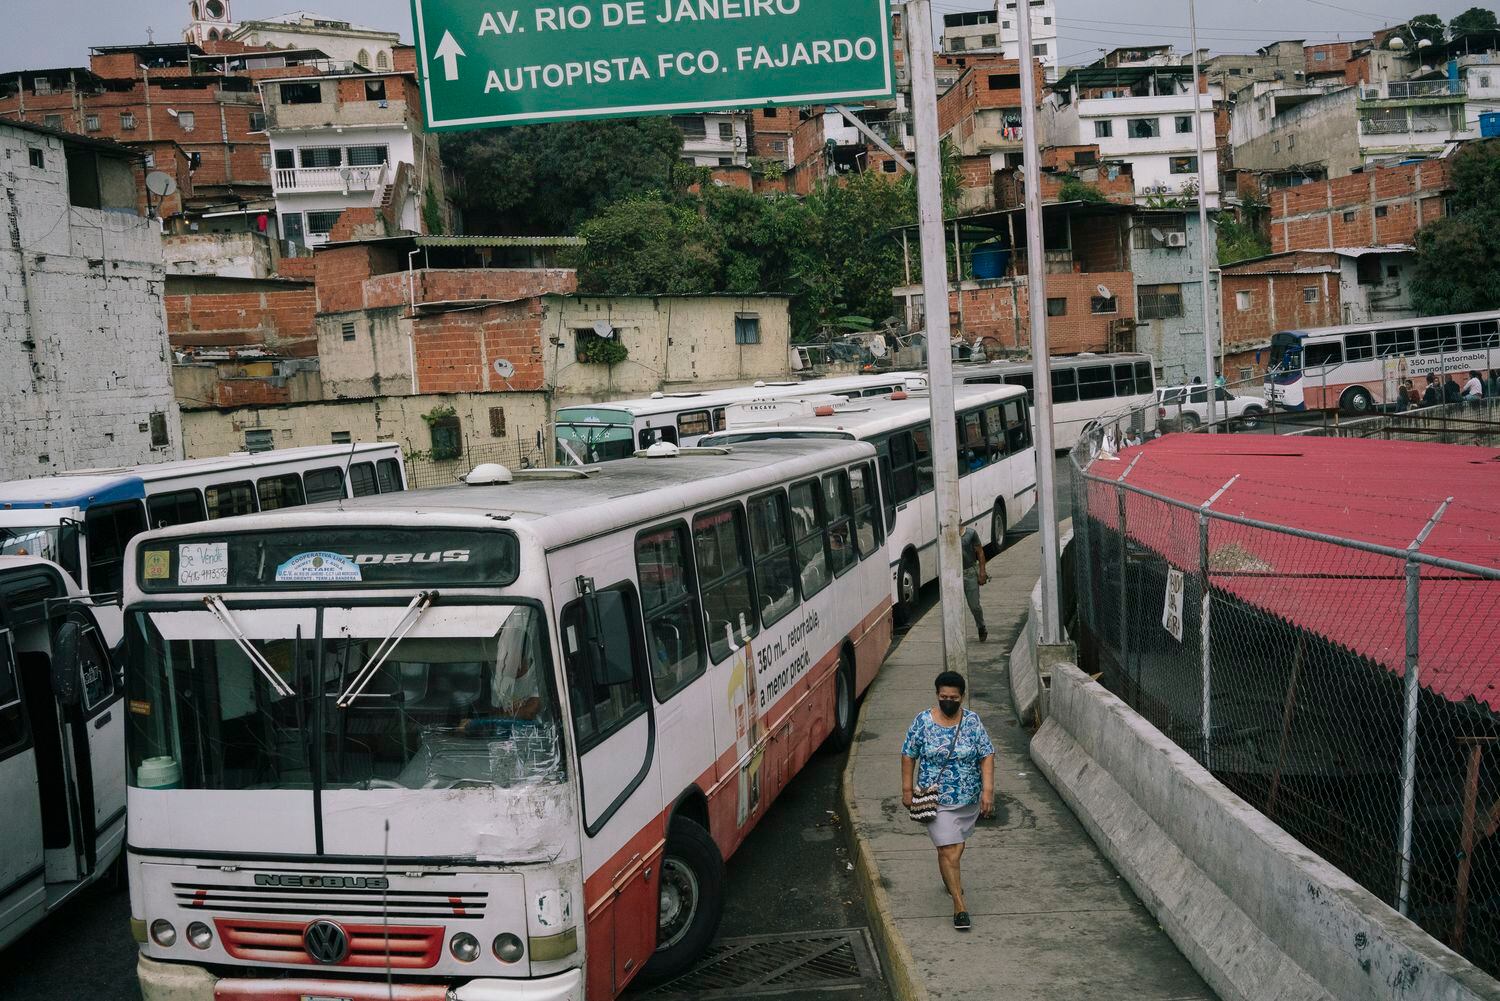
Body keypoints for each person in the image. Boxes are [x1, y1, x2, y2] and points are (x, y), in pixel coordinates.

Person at [901, 671, 995, 931]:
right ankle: (959, 904)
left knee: (954, 849)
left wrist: (988, 791)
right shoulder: (923, 721)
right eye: (943, 697)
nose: (948, 701)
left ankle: (949, 878)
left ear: (962, 697)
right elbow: (908, 754)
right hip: (936, 798)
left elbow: (987, 755)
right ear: (937, 695)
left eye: (953, 697)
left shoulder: (973, 722)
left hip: (967, 798)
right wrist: (907, 789)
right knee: (948, 849)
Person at [961, 524, 988, 642]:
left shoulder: (971, 534)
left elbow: (980, 552)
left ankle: (981, 625)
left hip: (969, 573)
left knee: (974, 606)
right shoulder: (945, 534)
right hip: (953, 575)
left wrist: (982, 571)